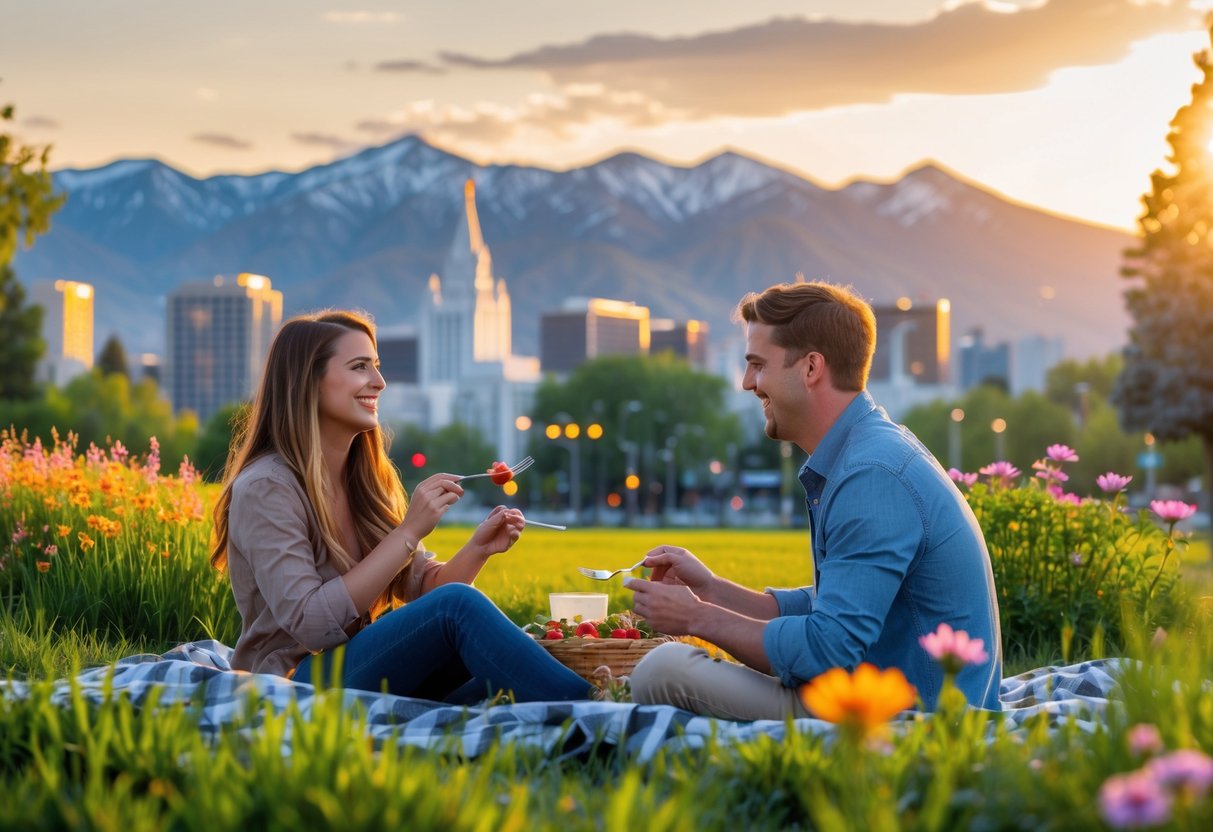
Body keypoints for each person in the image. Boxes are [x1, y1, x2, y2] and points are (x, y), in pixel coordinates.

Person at [626, 281, 1002, 719]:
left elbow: (828, 650)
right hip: (882, 692)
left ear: (810, 368)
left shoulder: (871, 476)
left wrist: (697, 619)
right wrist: (710, 591)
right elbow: (836, 601)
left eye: (757, 365)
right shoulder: (866, 452)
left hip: (915, 719)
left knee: (663, 670)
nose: (749, 383)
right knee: (670, 668)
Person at [209, 310, 591, 703]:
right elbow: (311, 624)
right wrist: (407, 533)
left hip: (360, 668)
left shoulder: (367, 478)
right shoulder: (267, 487)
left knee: (507, 664)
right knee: (470, 620)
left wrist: (478, 549)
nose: (380, 382)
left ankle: (591, 708)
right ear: (308, 381)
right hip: (294, 682)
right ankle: (597, 710)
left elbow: (427, 591)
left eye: (376, 367)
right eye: (360, 367)